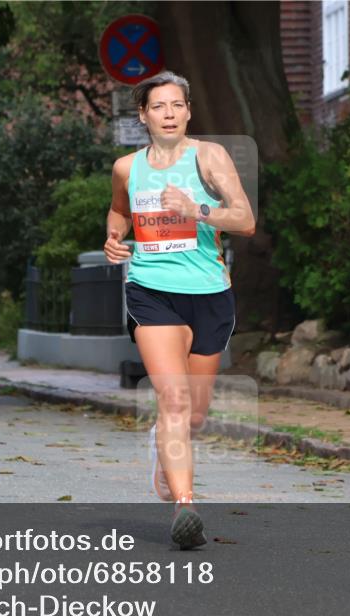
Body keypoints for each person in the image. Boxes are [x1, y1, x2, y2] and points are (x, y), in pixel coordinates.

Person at [103, 71, 255, 549]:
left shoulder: (209, 156)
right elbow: (119, 212)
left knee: (193, 414)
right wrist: (113, 239)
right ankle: (185, 506)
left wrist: (197, 210)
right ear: (143, 115)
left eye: (176, 105)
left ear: (188, 111)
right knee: (173, 400)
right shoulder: (127, 167)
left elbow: (245, 220)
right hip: (152, 290)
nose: (168, 114)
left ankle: (161, 446)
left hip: (209, 293)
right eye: (158, 107)